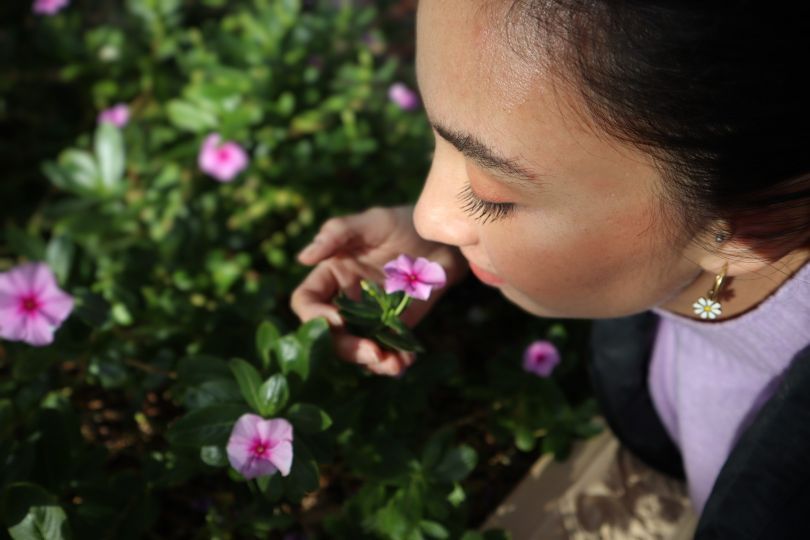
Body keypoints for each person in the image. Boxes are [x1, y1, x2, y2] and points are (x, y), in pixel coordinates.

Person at [291, 0, 810, 537]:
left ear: (742, 226)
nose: (430, 215)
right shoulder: (717, 222)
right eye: (435, 139)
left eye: (492, 197)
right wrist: (447, 246)